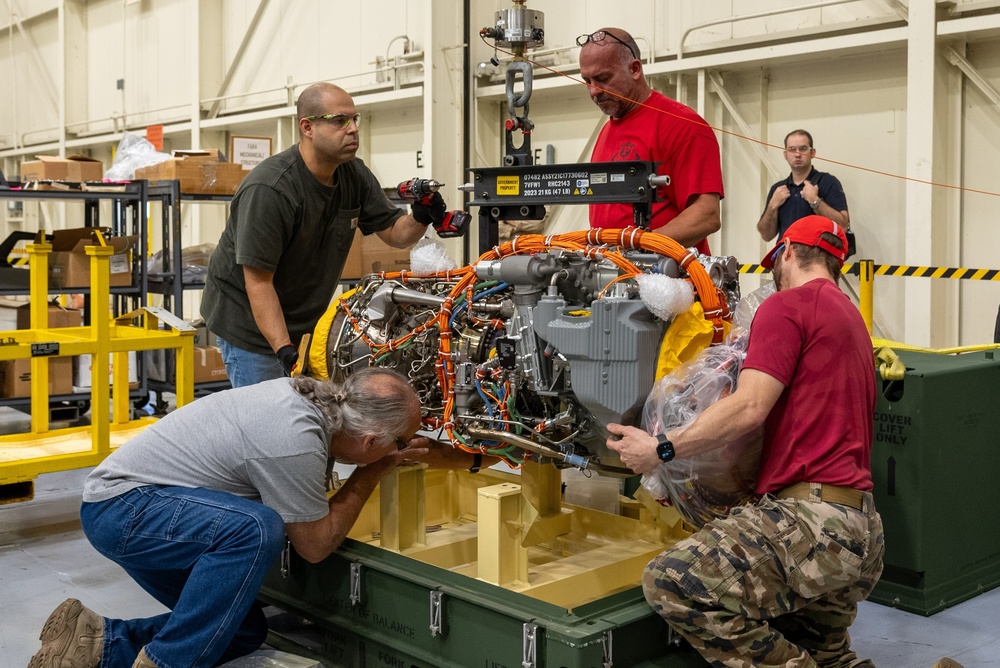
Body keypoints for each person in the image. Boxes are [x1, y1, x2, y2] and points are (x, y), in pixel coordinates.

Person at [27, 368, 488, 668]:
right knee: (256, 527)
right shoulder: (294, 437)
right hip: (123, 511)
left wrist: (478, 459)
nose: (401, 450)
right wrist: (372, 475)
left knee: (241, 632)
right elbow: (314, 545)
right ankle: (166, 663)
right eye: (397, 443)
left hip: (150, 512)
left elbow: (413, 452)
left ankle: (95, 641)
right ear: (369, 443)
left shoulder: (318, 402)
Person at [607, 215, 884, 667]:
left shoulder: (787, 304)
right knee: (827, 654)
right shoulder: (851, 318)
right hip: (860, 531)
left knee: (672, 581)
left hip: (811, 525)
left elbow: (751, 405)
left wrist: (660, 448)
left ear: (788, 250)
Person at [201, 82, 447, 388]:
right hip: (250, 326)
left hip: (306, 324)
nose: (353, 129)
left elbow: (396, 234)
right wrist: (284, 349)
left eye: (355, 119)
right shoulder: (271, 189)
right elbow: (258, 282)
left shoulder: (352, 174)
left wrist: (421, 216)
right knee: (267, 422)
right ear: (307, 127)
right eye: (339, 120)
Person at [578, 28, 723, 255]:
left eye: (603, 79)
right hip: (612, 276)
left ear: (634, 69)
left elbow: (706, 215)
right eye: (587, 81)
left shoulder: (683, 125)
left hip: (667, 282)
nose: (593, 91)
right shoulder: (607, 130)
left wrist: (637, 247)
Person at [757, 129, 850, 242]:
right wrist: (772, 206)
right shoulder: (778, 189)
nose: (797, 154)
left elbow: (843, 226)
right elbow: (766, 236)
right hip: (786, 257)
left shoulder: (828, 182)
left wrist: (815, 201)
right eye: (792, 149)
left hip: (818, 258)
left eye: (802, 149)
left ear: (812, 153)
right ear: (785, 155)